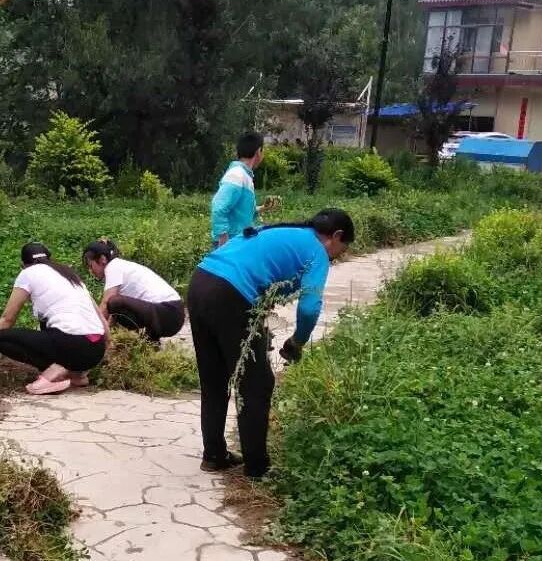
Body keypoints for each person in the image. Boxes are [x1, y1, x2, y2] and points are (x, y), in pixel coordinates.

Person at [187, 209, 354, 479]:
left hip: (201, 281)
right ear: (336, 236)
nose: (337, 256)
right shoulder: (317, 251)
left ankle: (214, 455)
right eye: (342, 249)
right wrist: (298, 341)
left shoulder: (282, 231)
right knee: (257, 383)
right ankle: (257, 468)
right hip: (231, 293)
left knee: (214, 377)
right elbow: (310, 307)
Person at [0, 243, 109, 395]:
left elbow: (8, 318)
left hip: (72, 345)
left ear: (23, 265)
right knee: (47, 324)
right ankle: (76, 375)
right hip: (96, 349)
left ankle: (53, 374)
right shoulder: (69, 274)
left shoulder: (28, 273)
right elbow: (99, 316)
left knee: (3, 338)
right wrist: (106, 346)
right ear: (49, 259)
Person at [83, 239, 185, 342]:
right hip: (173, 313)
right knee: (116, 307)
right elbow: (114, 314)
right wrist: (109, 336)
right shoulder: (121, 266)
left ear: (102, 259)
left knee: (114, 302)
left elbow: (106, 304)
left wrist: (91, 333)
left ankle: (147, 338)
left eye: (91, 266)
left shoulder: (113, 267)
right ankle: (149, 342)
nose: (91, 271)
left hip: (168, 311)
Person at [211, 132, 263, 248]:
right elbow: (218, 207)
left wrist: (262, 208)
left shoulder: (244, 175)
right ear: (259, 152)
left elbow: (239, 210)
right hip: (231, 243)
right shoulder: (237, 174)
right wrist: (223, 240)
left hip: (239, 241)